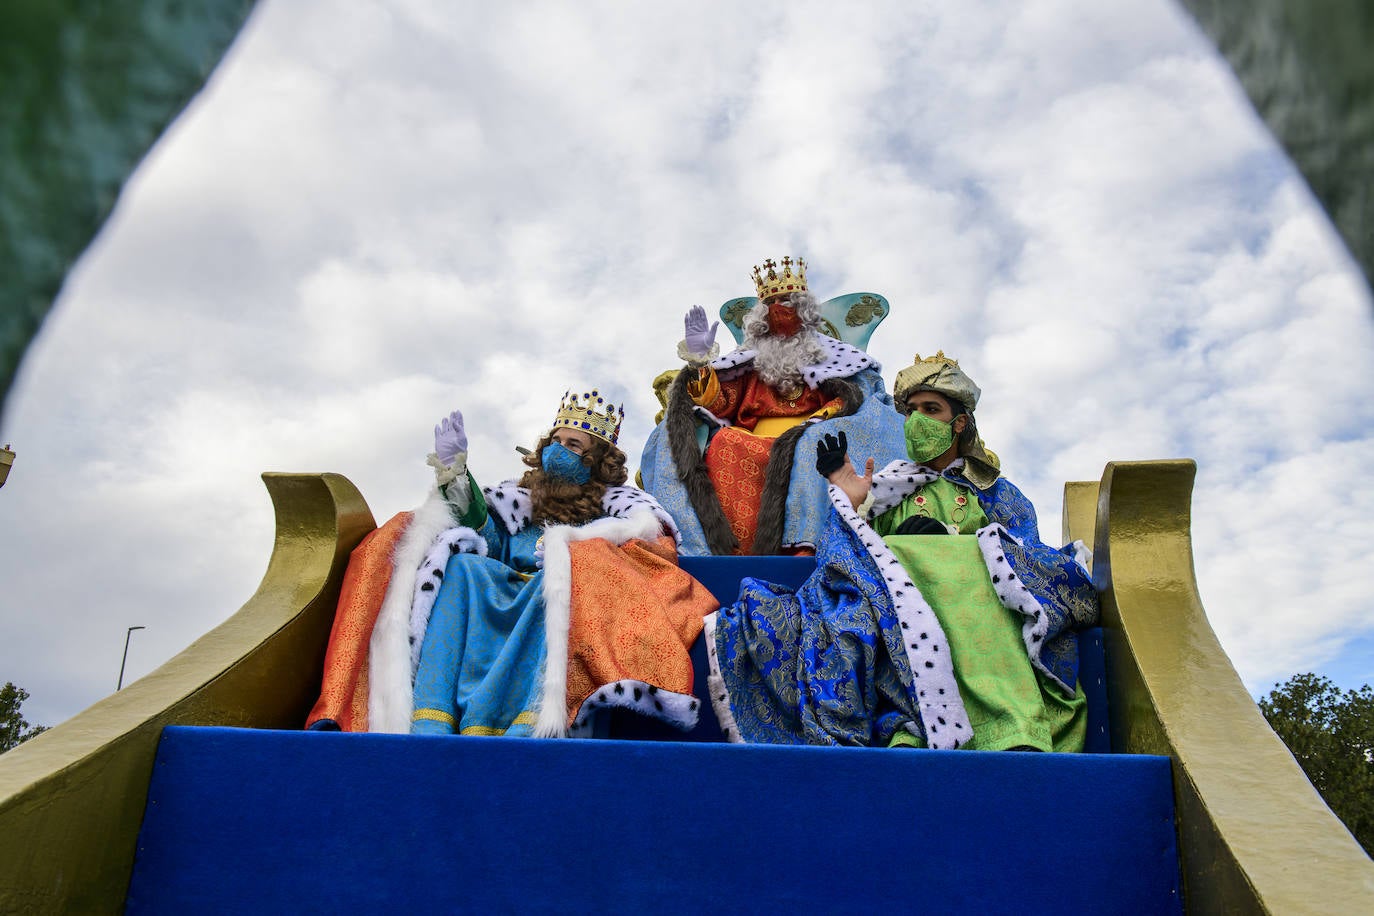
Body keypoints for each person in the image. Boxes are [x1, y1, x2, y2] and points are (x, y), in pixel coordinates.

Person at [704, 352, 1099, 751]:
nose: (917, 420)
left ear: (959, 423)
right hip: (907, 614)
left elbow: (1027, 556)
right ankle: (911, 727)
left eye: (932, 409)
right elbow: (847, 561)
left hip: (982, 611)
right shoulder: (889, 489)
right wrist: (852, 506)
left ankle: (1012, 727)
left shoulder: (995, 492)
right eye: (911, 411)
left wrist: (955, 542)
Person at [406, 389, 719, 738]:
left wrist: (572, 555)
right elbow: (488, 541)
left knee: (555, 586)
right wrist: (456, 476)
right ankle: (432, 718)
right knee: (463, 567)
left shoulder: (620, 515)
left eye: (572, 445)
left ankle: (530, 721)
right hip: (503, 588)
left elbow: (639, 566)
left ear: (595, 461)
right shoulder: (520, 503)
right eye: (555, 441)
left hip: (566, 601)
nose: (558, 450)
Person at [641, 256, 906, 556]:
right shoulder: (748, 365)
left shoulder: (836, 358)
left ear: (804, 311)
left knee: (813, 446)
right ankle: (735, 554)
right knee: (725, 443)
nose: (779, 309)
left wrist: (819, 420)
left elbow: (853, 399)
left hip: (811, 435)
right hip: (750, 441)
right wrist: (701, 364)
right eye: (772, 303)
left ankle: (805, 546)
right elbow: (720, 404)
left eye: (787, 301)